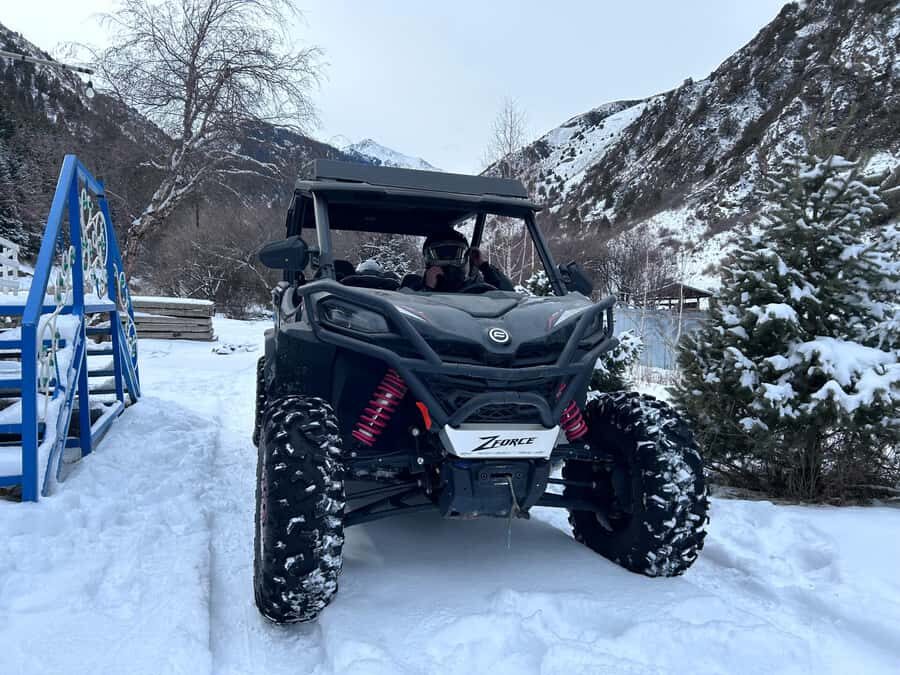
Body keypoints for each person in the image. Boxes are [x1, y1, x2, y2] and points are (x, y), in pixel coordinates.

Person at [405, 229, 513, 292]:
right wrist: (427, 288)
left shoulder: (474, 286)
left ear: (466, 257)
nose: (449, 263)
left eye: (455, 254)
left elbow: (507, 296)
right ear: (428, 258)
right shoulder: (413, 287)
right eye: (441, 256)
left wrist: (485, 267)